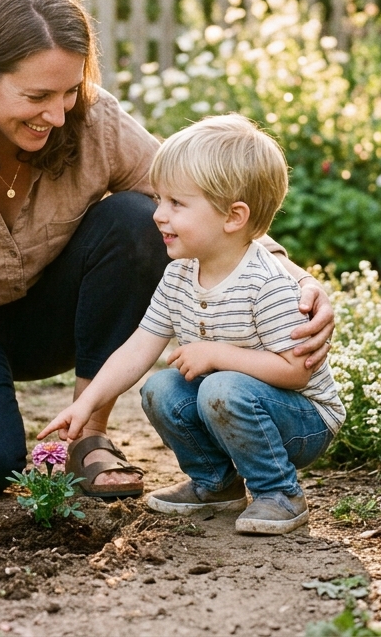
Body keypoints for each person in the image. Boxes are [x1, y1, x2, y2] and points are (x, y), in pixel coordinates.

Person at [0, 0, 335, 508]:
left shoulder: (92, 119)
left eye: (70, 90)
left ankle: (88, 436)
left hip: (50, 315)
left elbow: (201, 203)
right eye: (38, 95)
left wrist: (294, 277)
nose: (59, 114)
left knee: (141, 220)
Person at [39, 113, 344, 535]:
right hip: (235, 405)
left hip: (302, 423)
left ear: (233, 216)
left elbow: (296, 371)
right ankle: (215, 483)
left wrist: (218, 355)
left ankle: (279, 493)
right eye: (160, 199)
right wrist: (85, 403)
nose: (157, 215)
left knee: (221, 386)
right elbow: (138, 348)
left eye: (176, 204)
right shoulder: (181, 274)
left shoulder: (267, 283)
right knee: (160, 388)